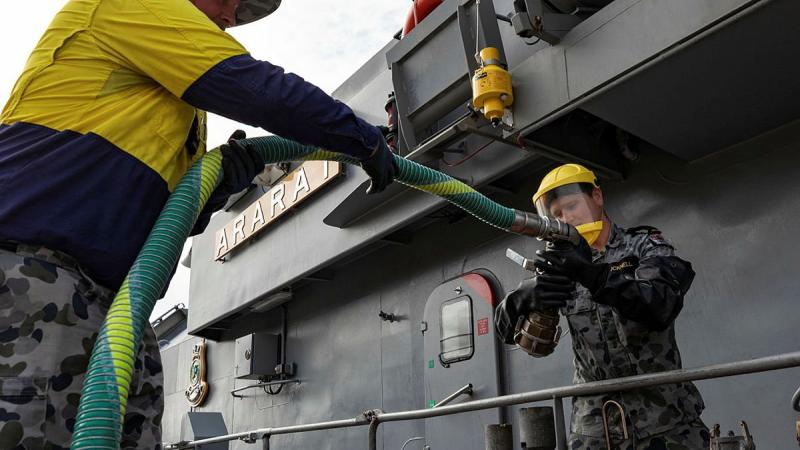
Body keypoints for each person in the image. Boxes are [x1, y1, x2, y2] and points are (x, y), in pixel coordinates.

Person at [0, 0, 396, 447]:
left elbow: (168, 220)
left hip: (114, 300)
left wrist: (220, 187)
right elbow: (255, 87)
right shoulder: (129, 5)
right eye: (229, 0)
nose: (231, 17)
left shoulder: (174, 103)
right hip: (32, 272)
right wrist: (360, 137)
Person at [494, 164, 709, 449]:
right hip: (596, 427)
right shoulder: (560, 266)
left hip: (665, 420)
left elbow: (660, 305)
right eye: (556, 214)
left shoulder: (643, 246)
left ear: (597, 196)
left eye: (571, 206)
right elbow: (505, 331)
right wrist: (523, 296)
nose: (566, 218)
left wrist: (591, 274)